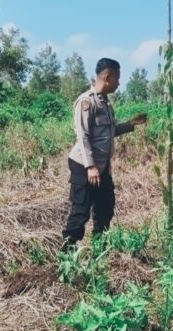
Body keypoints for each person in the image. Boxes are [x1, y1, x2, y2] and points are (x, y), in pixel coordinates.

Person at [62, 58, 147, 247]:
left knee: (105, 209)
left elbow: (109, 131)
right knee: (80, 212)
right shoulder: (86, 102)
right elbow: (82, 136)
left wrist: (131, 124)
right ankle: (66, 254)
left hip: (102, 167)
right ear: (107, 77)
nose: (118, 83)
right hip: (84, 166)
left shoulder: (105, 104)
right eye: (117, 78)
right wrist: (90, 166)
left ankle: (98, 250)